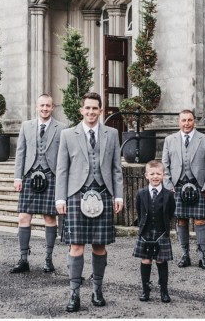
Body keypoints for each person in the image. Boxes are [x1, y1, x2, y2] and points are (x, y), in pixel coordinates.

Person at [55, 92, 124, 312]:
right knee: (76, 246)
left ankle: (97, 289)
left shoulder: (112, 134)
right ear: (81, 110)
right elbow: (62, 169)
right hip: (76, 194)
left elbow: (116, 168)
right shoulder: (67, 134)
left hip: (103, 193)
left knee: (99, 246)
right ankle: (74, 294)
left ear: (101, 110)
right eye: (87, 108)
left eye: (95, 108)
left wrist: (119, 195)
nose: (91, 112)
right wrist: (60, 198)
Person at [10, 94, 66, 274]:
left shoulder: (62, 128)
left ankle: (48, 259)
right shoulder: (26, 126)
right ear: (36, 107)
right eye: (42, 105)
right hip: (29, 176)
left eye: (48, 106)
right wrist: (17, 177)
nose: (45, 108)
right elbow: (20, 153)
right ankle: (23, 259)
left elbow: (64, 158)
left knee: (50, 218)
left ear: (53, 107)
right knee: (23, 217)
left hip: (51, 177)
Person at [162, 109, 205, 270]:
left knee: (200, 221)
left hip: (198, 185)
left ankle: (202, 256)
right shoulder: (170, 140)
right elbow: (165, 165)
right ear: (179, 122)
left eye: (189, 120)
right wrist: (168, 185)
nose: (186, 123)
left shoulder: (204, 140)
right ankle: (185, 255)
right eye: (183, 120)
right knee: (181, 220)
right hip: (177, 187)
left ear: (194, 121)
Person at [133, 160, 176, 303]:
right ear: (146, 175)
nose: (155, 176)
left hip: (161, 232)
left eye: (158, 173)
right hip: (145, 233)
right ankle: (145, 290)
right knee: (145, 260)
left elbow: (170, 212)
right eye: (152, 174)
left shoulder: (169, 195)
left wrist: (163, 228)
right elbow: (139, 211)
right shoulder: (141, 193)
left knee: (161, 260)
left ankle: (164, 290)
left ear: (163, 175)